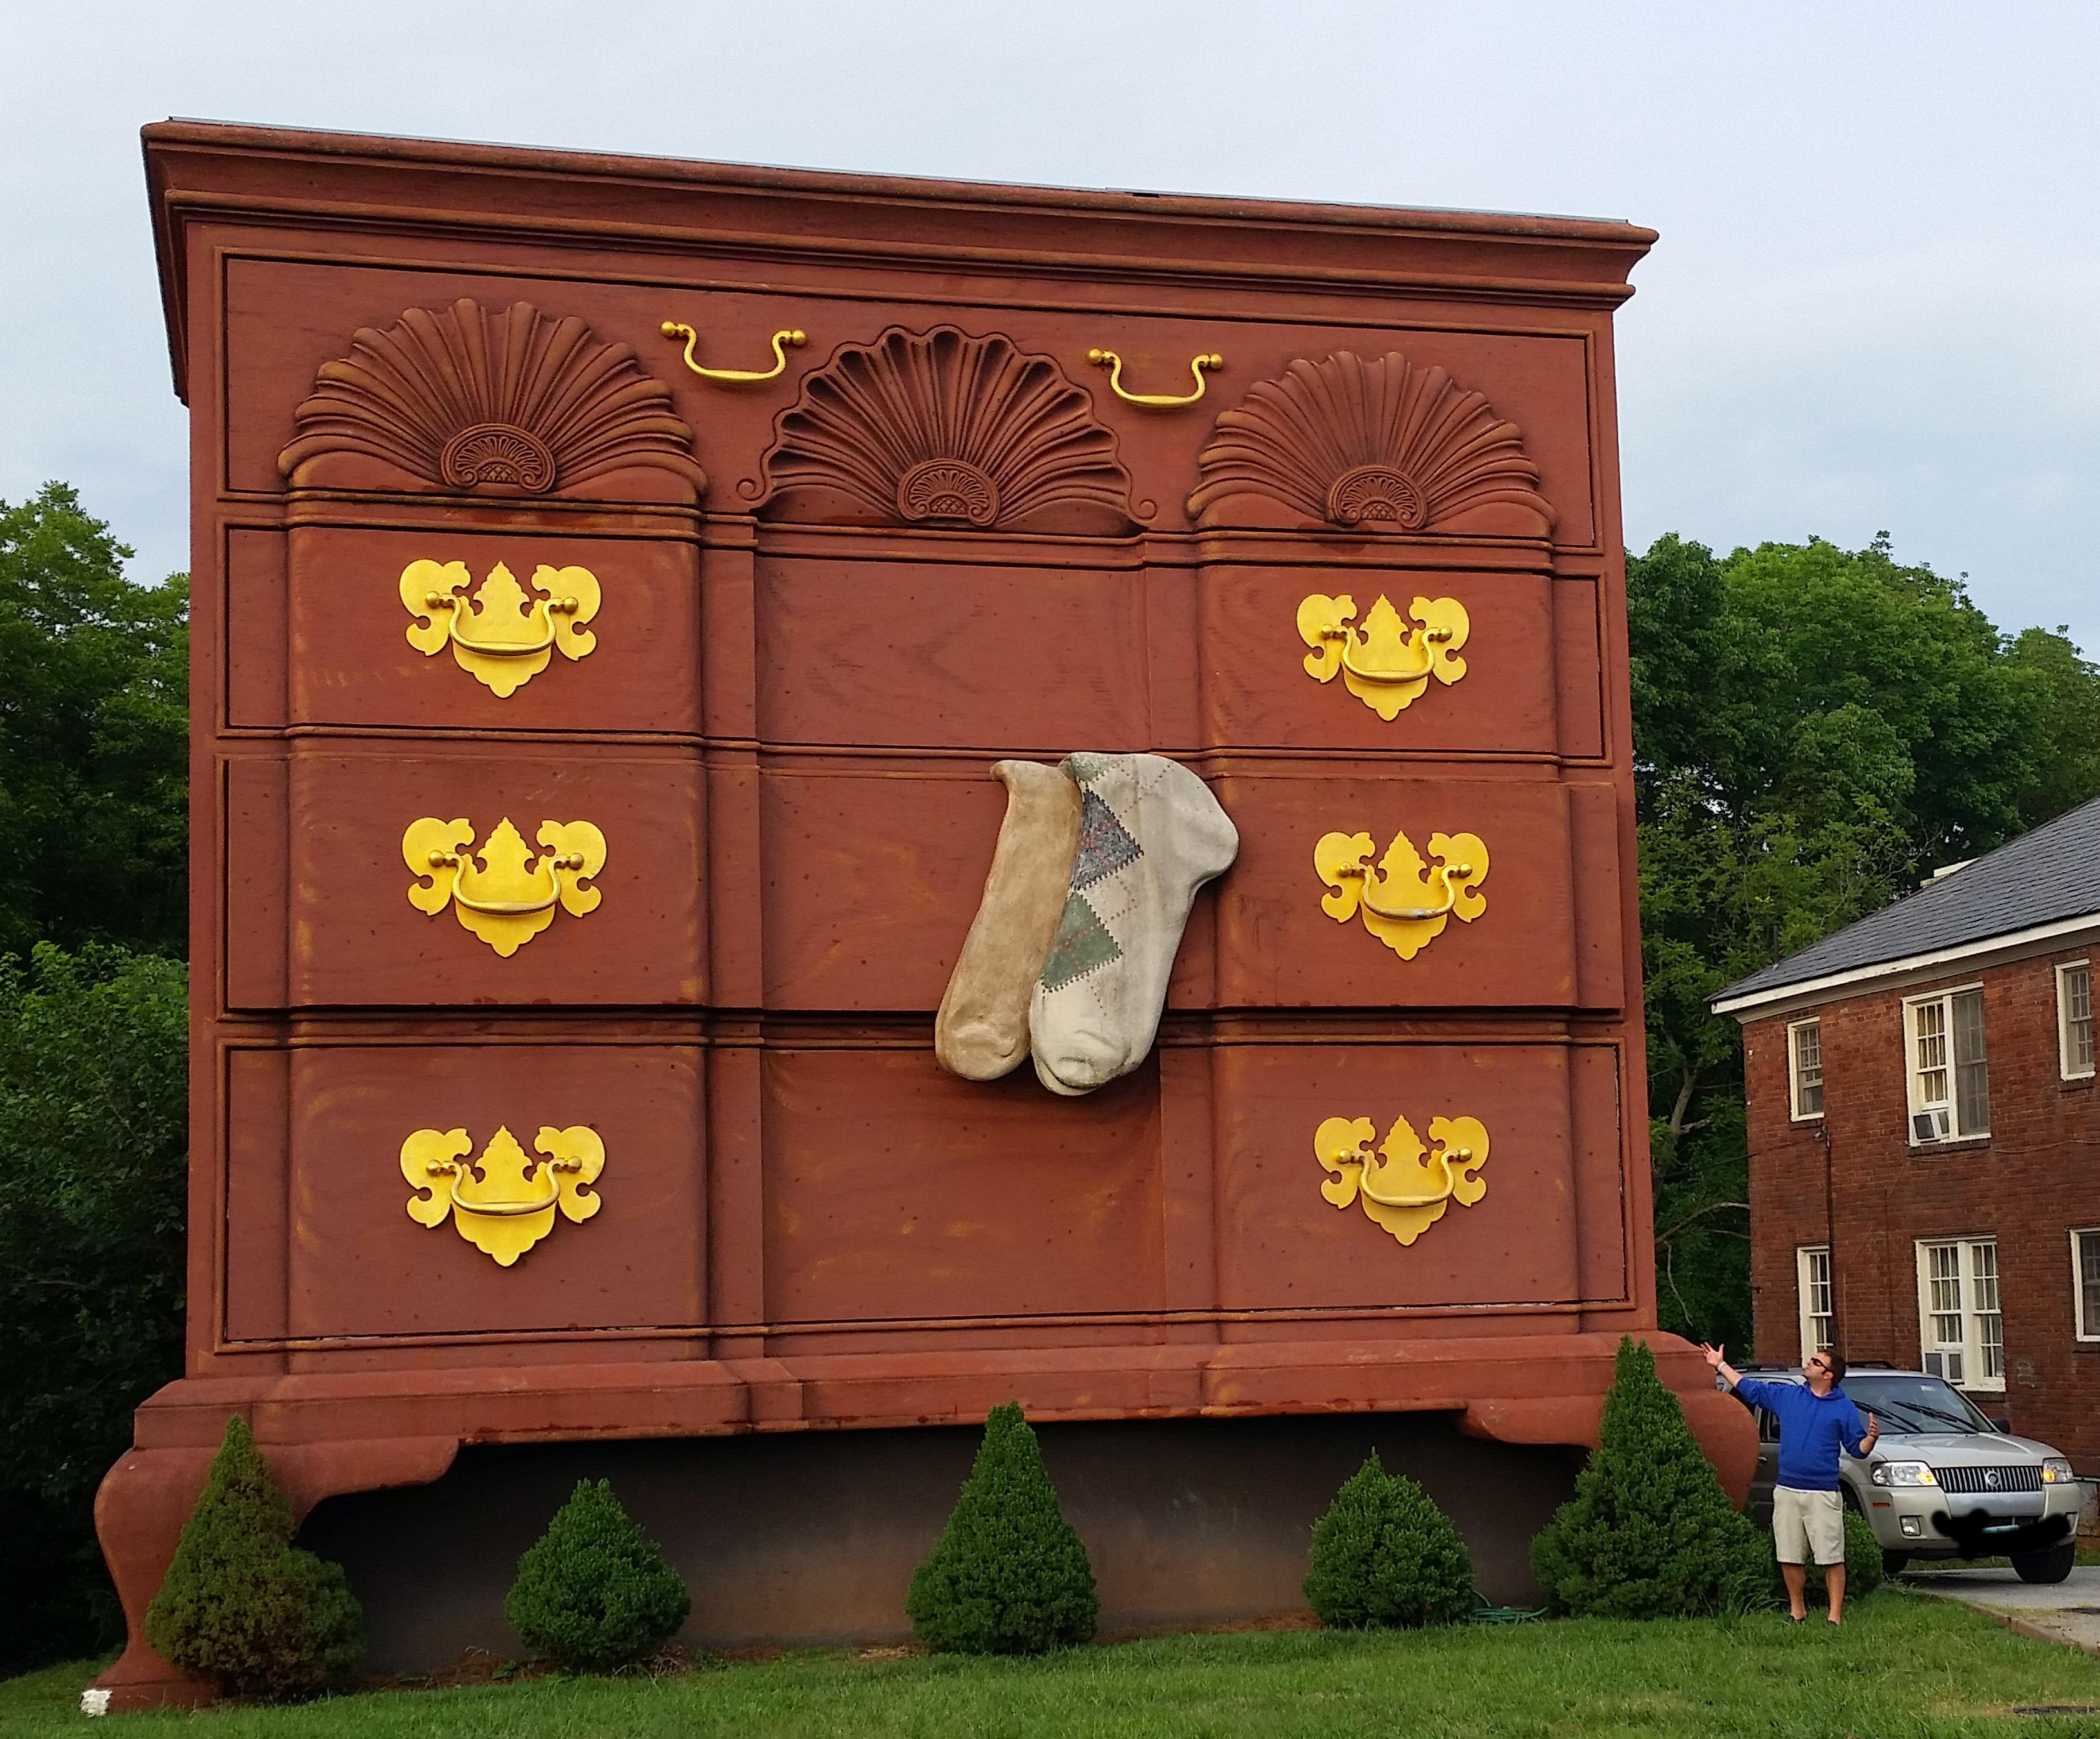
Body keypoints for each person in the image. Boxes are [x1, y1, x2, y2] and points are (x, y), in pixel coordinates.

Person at [1701, 1343, 1880, 1624]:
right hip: (1787, 1489)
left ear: (1829, 1375)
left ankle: (1835, 1617)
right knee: (1789, 1554)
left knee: (1831, 1555)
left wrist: (1870, 1439)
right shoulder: (1789, 1396)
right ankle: (1797, 1612)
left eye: (1816, 1362)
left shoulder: (1843, 1409)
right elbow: (1752, 1390)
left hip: (1823, 1493)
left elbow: (1857, 1449)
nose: (1808, 1363)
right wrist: (1720, 1365)